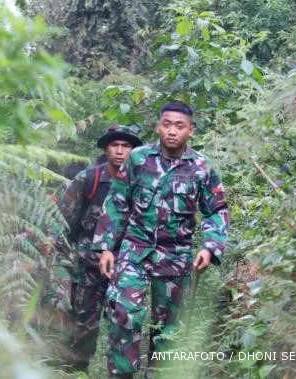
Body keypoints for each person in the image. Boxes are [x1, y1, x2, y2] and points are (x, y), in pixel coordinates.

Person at [91, 101, 230, 378]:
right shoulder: (139, 159)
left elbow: (217, 210)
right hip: (135, 250)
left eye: (179, 126)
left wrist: (210, 247)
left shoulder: (202, 167)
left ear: (191, 130)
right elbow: (117, 202)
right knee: (124, 312)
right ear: (158, 127)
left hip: (176, 256)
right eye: (166, 125)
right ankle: (121, 373)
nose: (171, 132)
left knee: (170, 328)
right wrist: (106, 247)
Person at [51, 125, 142, 372]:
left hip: (126, 264)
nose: (120, 151)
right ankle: (76, 368)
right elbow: (62, 220)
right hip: (88, 262)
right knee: (85, 319)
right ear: (106, 148)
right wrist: (61, 261)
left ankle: (121, 370)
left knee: (124, 319)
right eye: (115, 145)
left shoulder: (142, 182)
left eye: (126, 146)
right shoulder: (88, 179)